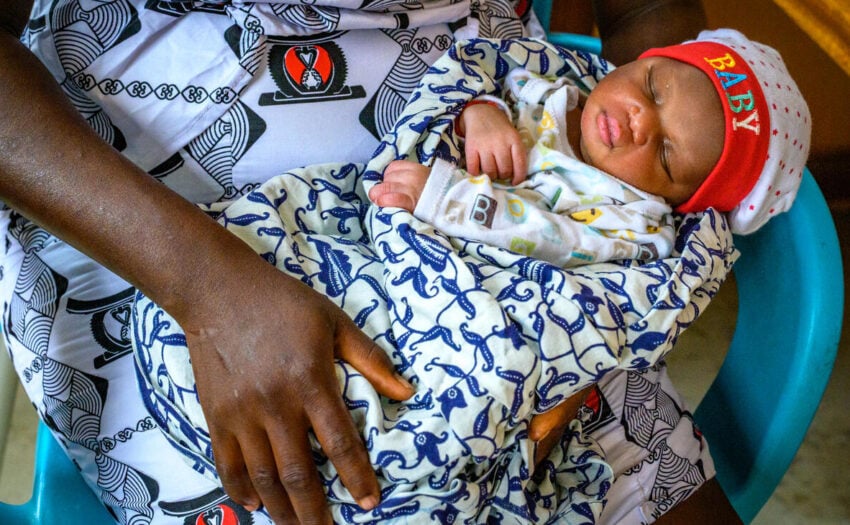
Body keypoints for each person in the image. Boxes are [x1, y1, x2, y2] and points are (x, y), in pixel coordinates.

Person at [0, 0, 760, 523]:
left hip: (512, 202)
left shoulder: (573, 152)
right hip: (140, 209)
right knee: (306, 483)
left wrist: (638, 245)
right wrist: (203, 284)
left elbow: (643, 17)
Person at [369, 30, 810, 270]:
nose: (640, 120)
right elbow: (489, 75)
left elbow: (552, 241)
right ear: (644, 57)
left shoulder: (634, 224)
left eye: (664, 155)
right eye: (653, 88)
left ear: (679, 202)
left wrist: (450, 199)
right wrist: (482, 113)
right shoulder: (553, 92)